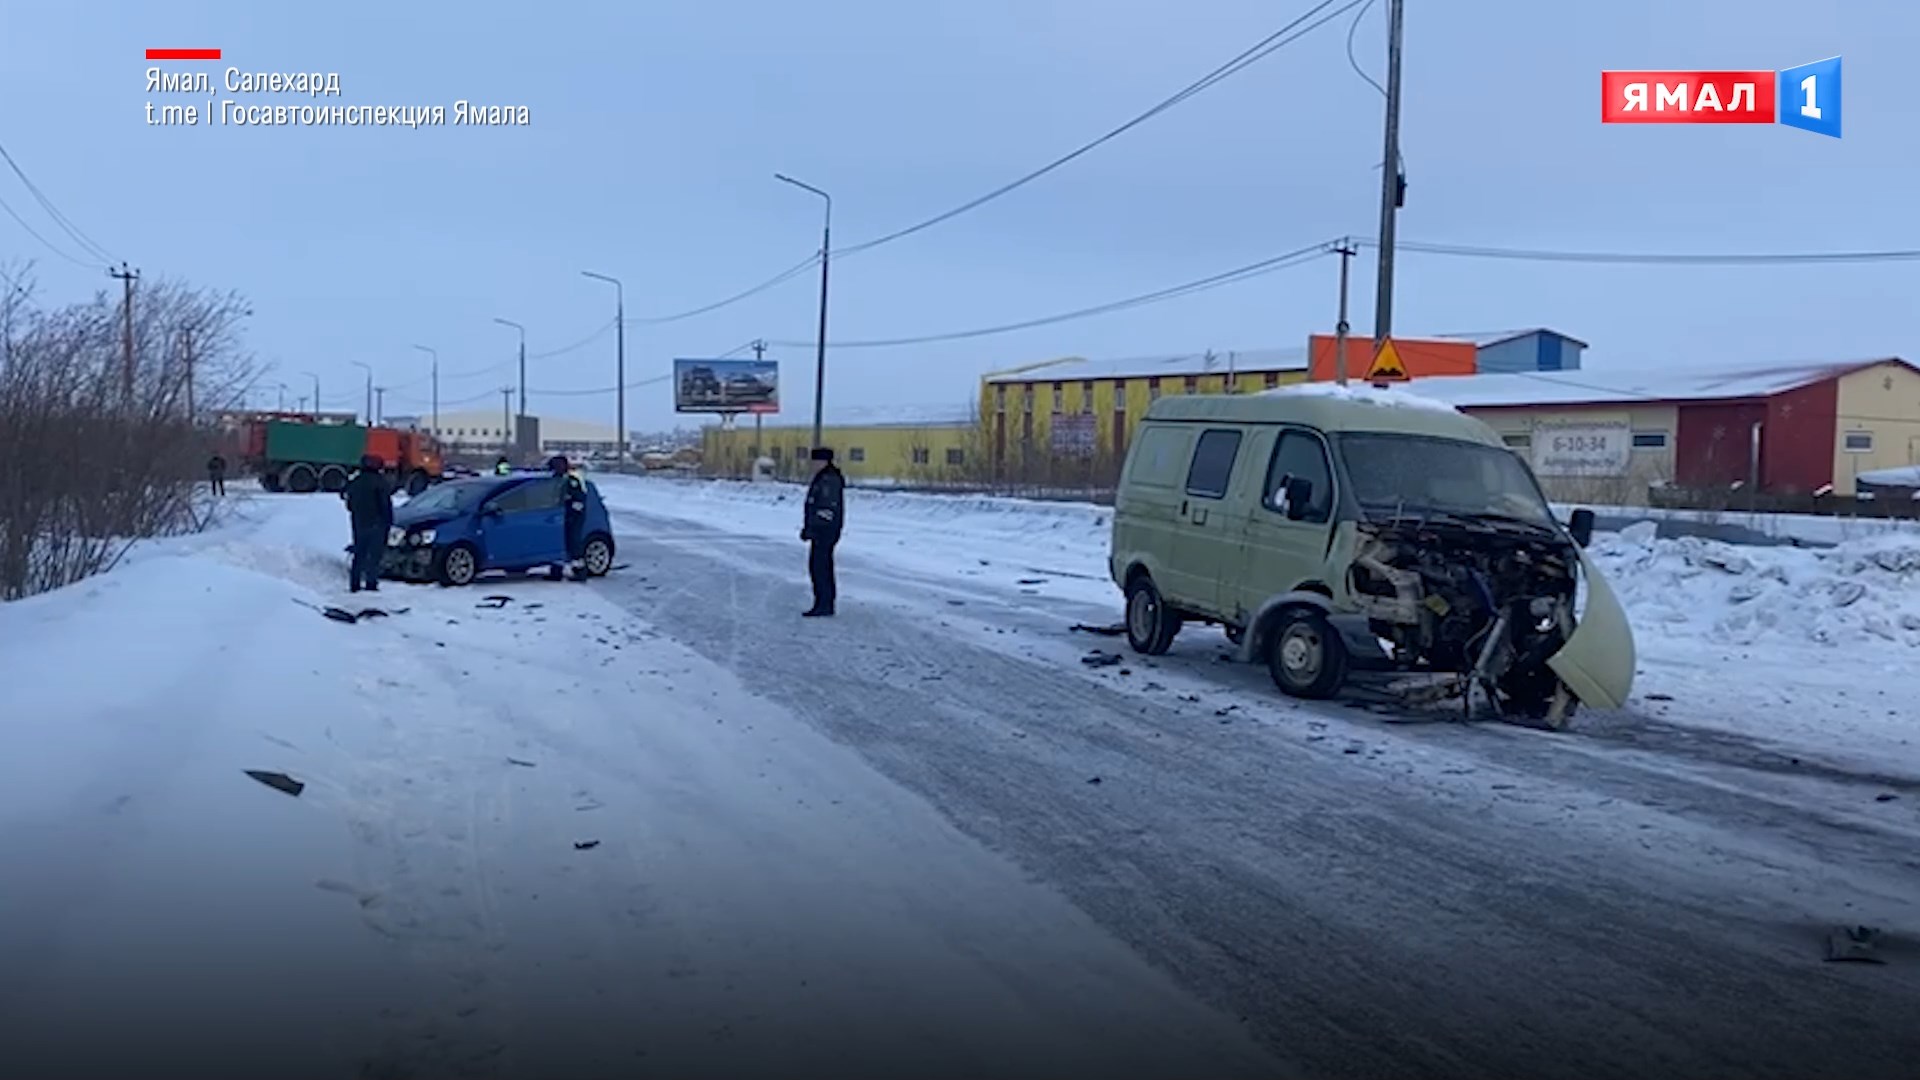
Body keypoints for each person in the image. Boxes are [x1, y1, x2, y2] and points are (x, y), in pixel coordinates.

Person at [800, 446, 844, 616]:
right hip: (822, 530)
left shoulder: (828, 480)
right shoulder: (823, 478)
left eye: (815, 461)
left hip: (825, 531)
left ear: (823, 461)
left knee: (821, 567)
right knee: (819, 566)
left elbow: (826, 509)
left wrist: (814, 529)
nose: (812, 465)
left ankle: (824, 604)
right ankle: (822, 602)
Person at [342, 454, 393, 593]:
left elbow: (349, 503)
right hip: (377, 524)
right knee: (374, 556)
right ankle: (371, 585)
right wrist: (388, 522)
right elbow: (385, 506)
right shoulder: (381, 483)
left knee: (359, 554)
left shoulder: (356, 482)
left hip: (359, 523)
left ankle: (355, 584)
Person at [549, 454, 590, 581]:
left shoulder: (571, 481)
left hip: (573, 518)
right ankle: (556, 572)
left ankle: (580, 572)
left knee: (574, 543)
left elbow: (579, 500)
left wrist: (571, 512)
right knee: (558, 542)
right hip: (559, 517)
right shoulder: (554, 480)